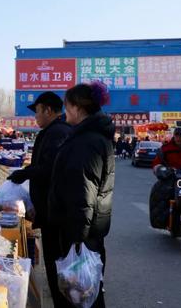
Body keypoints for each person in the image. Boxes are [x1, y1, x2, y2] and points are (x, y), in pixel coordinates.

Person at [48, 82, 115, 308]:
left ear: (77, 108)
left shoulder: (85, 142)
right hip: (89, 232)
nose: (65, 111)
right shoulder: (93, 137)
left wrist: (77, 241)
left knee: (80, 296)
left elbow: (82, 195)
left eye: (67, 106)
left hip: (80, 234)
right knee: (89, 293)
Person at [7, 92, 72, 307]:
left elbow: (50, 168)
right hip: (50, 208)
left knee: (55, 261)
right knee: (55, 260)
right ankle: (61, 297)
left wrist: (25, 173)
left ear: (48, 110)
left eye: (37, 111)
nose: (35, 117)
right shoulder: (54, 131)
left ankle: (62, 300)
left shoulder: (57, 133)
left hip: (55, 211)